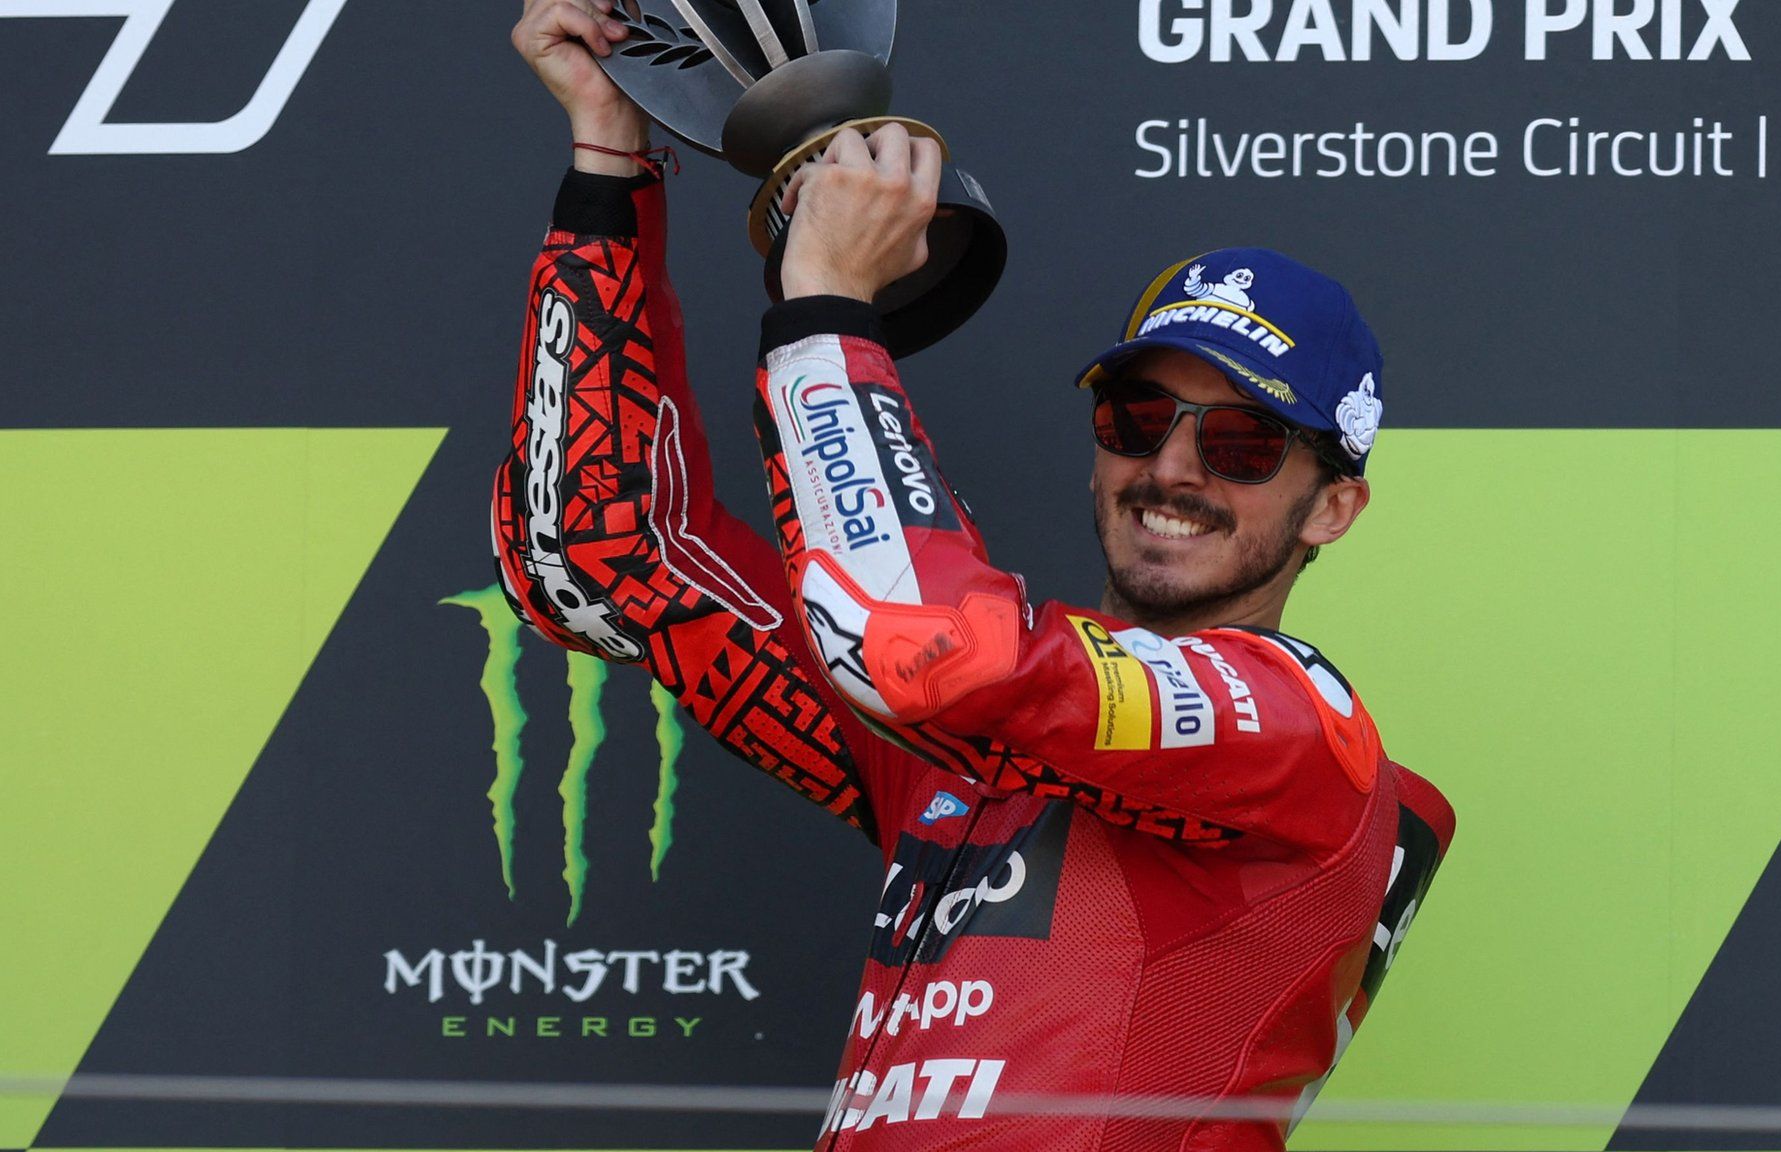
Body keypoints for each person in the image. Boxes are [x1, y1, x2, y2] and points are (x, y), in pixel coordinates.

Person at [497, 1, 1454, 1147]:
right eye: (1137, 416)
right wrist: (613, 158)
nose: (1173, 468)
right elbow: (601, 556)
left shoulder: (1301, 738)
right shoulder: (974, 760)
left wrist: (825, 311)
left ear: (1333, 507)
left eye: (1244, 444)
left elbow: (922, 646)